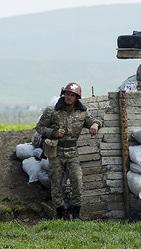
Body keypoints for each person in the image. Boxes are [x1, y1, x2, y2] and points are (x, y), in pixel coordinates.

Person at [36, 82, 102, 220]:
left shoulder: (82, 112)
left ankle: (76, 213)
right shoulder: (52, 111)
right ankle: (60, 214)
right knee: (56, 183)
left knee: (77, 181)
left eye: (72, 95)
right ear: (63, 94)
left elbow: (94, 121)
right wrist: (53, 132)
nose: (69, 97)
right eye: (67, 94)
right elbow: (40, 127)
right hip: (56, 152)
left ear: (77, 97)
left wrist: (95, 125)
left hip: (72, 152)